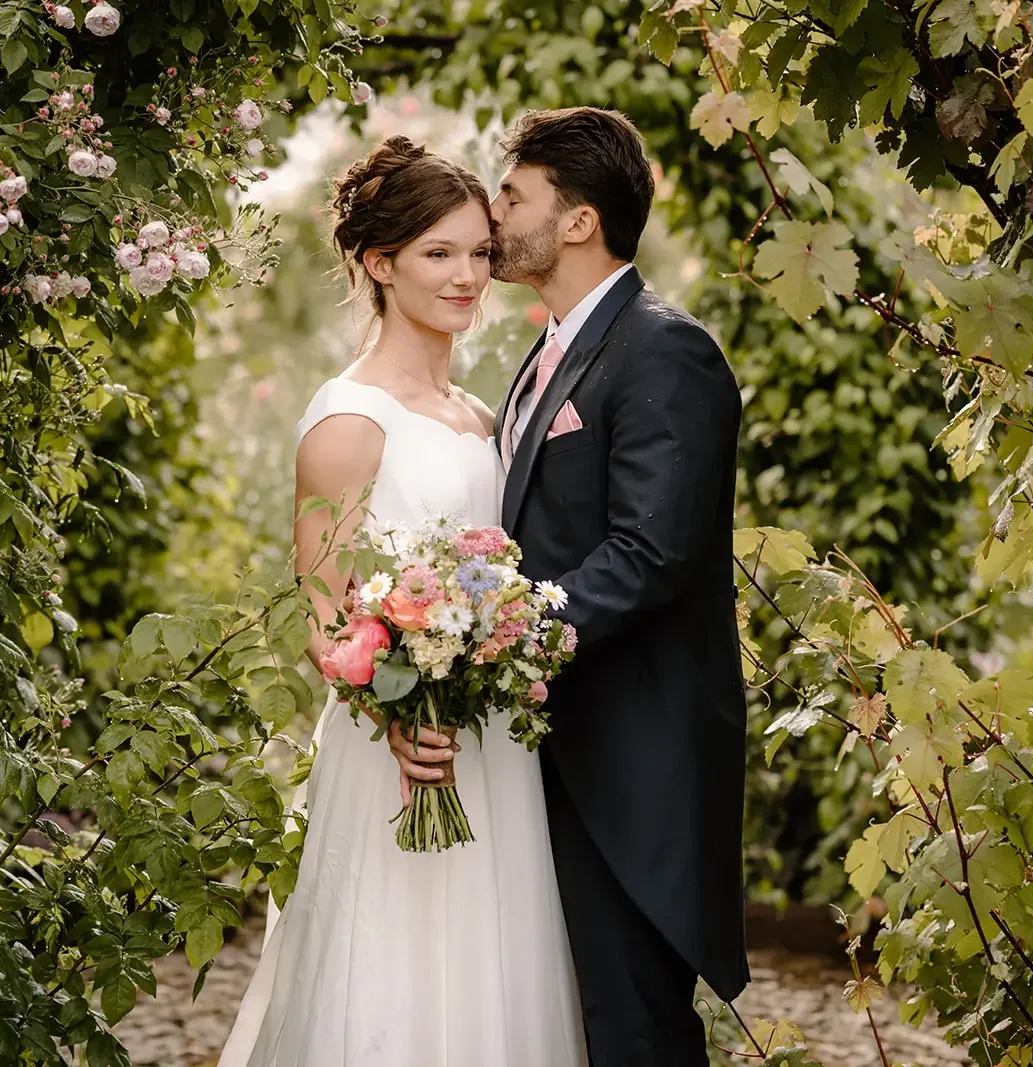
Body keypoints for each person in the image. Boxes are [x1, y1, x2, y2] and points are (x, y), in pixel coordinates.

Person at [389, 107, 749, 1066]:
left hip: (633, 754)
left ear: (579, 220)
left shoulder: (665, 349)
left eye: (512, 196)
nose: (493, 218)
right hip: (553, 745)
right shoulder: (544, 357)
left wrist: (500, 640)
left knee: (635, 1026)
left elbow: (650, 553)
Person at [220, 136, 587, 1067]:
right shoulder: (348, 419)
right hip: (399, 747)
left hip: (492, 747)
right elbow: (324, 615)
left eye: (477, 251)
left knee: (495, 977)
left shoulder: (478, 411)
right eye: (438, 253)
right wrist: (396, 714)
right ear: (379, 264)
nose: (469, 275)